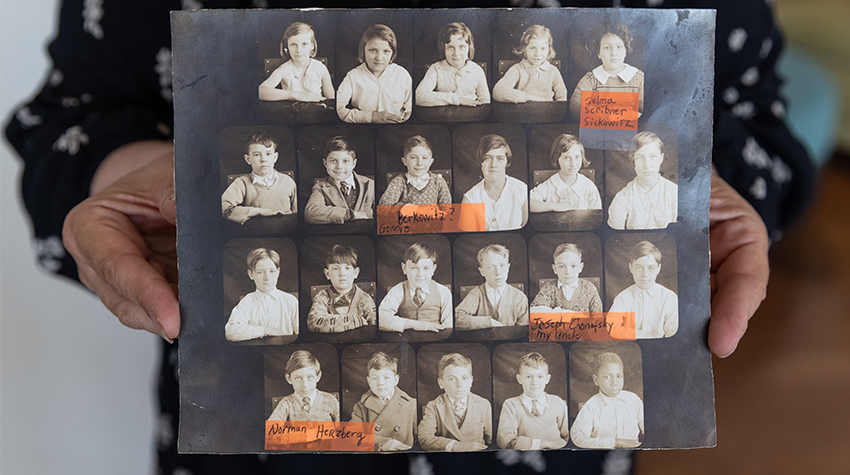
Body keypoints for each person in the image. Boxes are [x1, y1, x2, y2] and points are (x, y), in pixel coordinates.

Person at [6, 0, 812, 473]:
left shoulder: (598, 318)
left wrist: (679, 188)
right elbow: (75, 115)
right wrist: (144, 170)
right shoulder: (316, 263)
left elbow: (751, 119)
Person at [336, 24, 412, 124]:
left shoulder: (402, 75)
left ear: (392, 54)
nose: (379, 58)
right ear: (363, 50)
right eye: (373, 50)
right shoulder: (353, 76)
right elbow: (338, 109)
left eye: (386, 51)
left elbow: (410, 109)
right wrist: (370, 116)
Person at [569, 23, 645, 121]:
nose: (613, 53)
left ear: (625, 51)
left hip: (631, 132)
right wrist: (608, 116)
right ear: (599, 53)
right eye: (607, 48)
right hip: (599, 131)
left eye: (619, 47)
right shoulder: (591, 79)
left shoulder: (638, 79)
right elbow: (576, 106)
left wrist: (629, 117)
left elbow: (647, 109)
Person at [418, 353, 492, 451]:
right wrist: (455, 446)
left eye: (464, 378)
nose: (460, 384)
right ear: (441, 383)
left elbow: (491, 439)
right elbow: (424, 437)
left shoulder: (483, 404)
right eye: (452, 379)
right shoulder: (434, 406)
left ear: (471, 381)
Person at [570, 352, 644, 449]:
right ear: (596, 380)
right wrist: (616, 443)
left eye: (619, 376)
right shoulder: (591, 406)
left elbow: (647, 426)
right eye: (607, 377)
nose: (615, 382)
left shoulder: (633, 399)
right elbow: (577, 438)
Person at [496, 352, 569, 450]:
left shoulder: (558, 403)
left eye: (540, 377)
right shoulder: (511, 405)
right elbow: (504, 440)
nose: (534, 382)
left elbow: (567, 437)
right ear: (519, 379)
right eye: (528, 377)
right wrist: (542, 444)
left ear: (547, 379)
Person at [221, 132, 297, 225]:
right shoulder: (242, 183)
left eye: (268, 154)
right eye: (257, 155)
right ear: (248, 159)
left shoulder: (288, 182)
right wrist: (260, 211)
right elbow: (223, 207)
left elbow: (297, 213)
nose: (263, 159)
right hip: (256, 233)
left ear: (275, 157)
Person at [224, 247, 299, 342]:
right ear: (251, 274)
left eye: (271, 271)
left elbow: (299, 331)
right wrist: (265, 330)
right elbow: (230, 331)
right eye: (260, 272)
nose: (267, 277)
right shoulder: (248, 302)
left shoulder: (290, 301)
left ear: (278, 272)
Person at [608, 131, 678, 230]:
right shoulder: (622, 198)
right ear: (634, 161)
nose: (647, 165)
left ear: (661, 158)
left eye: (653, 156)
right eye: (640, 157)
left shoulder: (674, 193)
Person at [609, 241, 678, 339]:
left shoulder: (669, 298)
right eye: (638, 268)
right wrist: (641, 334)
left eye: (651, 268)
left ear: (658, 269)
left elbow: (672, 334)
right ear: (631, 268)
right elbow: (612, 328)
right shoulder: (623, 298)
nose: (645, 274)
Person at [378, 242, 452, 334]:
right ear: (404, 268)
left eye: (426, 268)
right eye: (414, 268)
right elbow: (380, 318)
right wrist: (416, 325)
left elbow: (449, 326)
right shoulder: (398, 290)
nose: (420, 274)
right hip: (408, 341)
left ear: (433, 269)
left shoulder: (443, 292)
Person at [350, 351, 417, 451]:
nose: (380, 383)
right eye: (374, 378)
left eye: (386, 377)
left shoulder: (411, 405)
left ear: (395, 380)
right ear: (369, 381)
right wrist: (381, 443)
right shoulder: (361, 406)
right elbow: (353, 436)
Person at [461, 134, 528, 231]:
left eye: (500, 158)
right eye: (487, 158)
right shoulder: (470, 199)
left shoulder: (522, 190)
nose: (493, 164)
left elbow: (525, 228)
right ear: (481, 163)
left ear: (507, 162)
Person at [454, 244, 529, 330]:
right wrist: (489, 322)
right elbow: (456, 317)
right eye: (490, 267)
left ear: (508, 268)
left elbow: (524, 331)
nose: (498, 272)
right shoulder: (477, 294)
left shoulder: (519, 297)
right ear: (482, 271)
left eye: (502, 266)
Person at [415, 22, 490, 107]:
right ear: (444, 49)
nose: (456, 54)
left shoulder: (476, 70)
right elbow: (419, 96)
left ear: (469, 47)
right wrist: (456, 99)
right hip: (444, 117)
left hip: (471, 117)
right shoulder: (436, 69)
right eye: (450, 47)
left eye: (461, 47)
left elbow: (485, 102)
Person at [304, 135, 375, 225]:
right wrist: (349, 215)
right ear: (325, 163)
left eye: (345, 161)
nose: (339, 167)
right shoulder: (320, 187)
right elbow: (310, 213)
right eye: (333, 161)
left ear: (354, 164)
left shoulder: (369, 184)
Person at [306, 245, 375, 334]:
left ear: (356, 273)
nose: (342, 273)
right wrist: (356, 320)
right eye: (335, 268)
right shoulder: (322, 296)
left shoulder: (365, 299)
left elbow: (374, 327)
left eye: (347, 268)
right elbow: (313, 322)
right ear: (327, 274)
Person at [258, 22, 334, 103]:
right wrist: (295, 95)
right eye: (293, 45)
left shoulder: (320, 68)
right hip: (291, 113)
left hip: (316, 112)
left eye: (304, 44)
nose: (299, 50)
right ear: (287, 47)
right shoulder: (284, 69)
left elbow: (331, 98)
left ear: (312, 46)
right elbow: (261, 91)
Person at [492, 25, 567, 103]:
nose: (537, 54)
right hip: (521, 113)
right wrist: (526, 96)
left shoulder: (553, 71)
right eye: (532, 48)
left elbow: (563, 98)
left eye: (543, 48)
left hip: (547, 113)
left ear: (549, 50)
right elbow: (498, 91)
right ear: (525, 49)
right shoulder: (517, 69)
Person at [529, 134, 602, 213]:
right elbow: (528, 203)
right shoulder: (550, 185)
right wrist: (552, 205)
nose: (573, 164)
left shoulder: (589, 187)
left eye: (577, 157)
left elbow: (597, 215)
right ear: (557, 159)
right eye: (567, 158)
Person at [378, 135, 452, 206]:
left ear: (431, 162)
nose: (419, 163)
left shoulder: (438, 181)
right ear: (404, 161)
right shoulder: (399, 182)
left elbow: (447, 208)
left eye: (424, 158)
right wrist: (405, 207)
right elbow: (384, 205)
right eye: (413, 157)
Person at [268, 350, 340, 422]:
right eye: (298, 378)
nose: (305, 385)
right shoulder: (286, 404)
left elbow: (342, 429)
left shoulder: (331, 400)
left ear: (318, 376)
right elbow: (271, 429)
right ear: (289, 378)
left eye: (310, 377)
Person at [530, 243, 603, 314]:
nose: (568, 272)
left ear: (580, 267)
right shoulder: (549, 288)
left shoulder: (589, 288)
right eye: (561, 266)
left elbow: (598, 318)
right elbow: (534, 311)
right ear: (555, 269)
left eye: (573, 266)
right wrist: (567, 315)